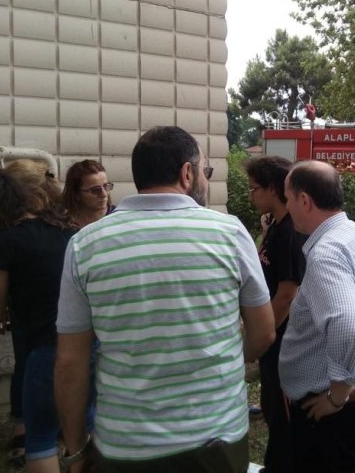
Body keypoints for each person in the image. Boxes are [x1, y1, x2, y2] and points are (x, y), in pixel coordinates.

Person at [54, 125, 276, 473]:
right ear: (187, 173)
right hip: (215, 438)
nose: (205, 180)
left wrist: (76, 449)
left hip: (125, 445)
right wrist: (227, 360)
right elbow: (263, 332)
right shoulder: (230, 233)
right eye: (205, 171)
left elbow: (71, 362)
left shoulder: (84, 244)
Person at [0, 164, 95, 473]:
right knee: (84, 432)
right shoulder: (68, 230)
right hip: (88, 346)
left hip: (47, 351)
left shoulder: (2, 244)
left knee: (41, 437)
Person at [279, 160, 355, 473]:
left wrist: (337, 396)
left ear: (304, 200)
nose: (287, 206)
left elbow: (347, 326)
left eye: (288, 198)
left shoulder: (327, 253)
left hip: (334, 415)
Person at [244, 156, 306, 473]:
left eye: (254, 188)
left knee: (282, 416)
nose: (250, 196)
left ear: (272, 188)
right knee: (271, 406)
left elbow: (286, 295)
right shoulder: (276, 226)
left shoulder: (290, 233)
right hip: (273, 338)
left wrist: (262, 336)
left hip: (282, 341)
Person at [62, 159, 115, 227]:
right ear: (76, 194)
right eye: (95, 190)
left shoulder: (119, 218)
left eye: (106, 186)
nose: (104, 194)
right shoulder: (62, 225)